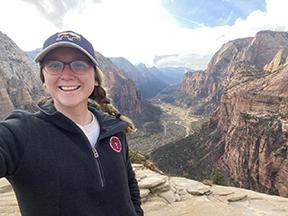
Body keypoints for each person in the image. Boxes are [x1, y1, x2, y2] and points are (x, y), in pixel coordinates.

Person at [0, 30, 144, 216]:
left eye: (79, 64)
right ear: (44, 78)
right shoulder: (20, 134)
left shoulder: (113, 129)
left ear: (95, 77)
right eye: (54, 65)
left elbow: (129, 184)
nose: (66, 74)